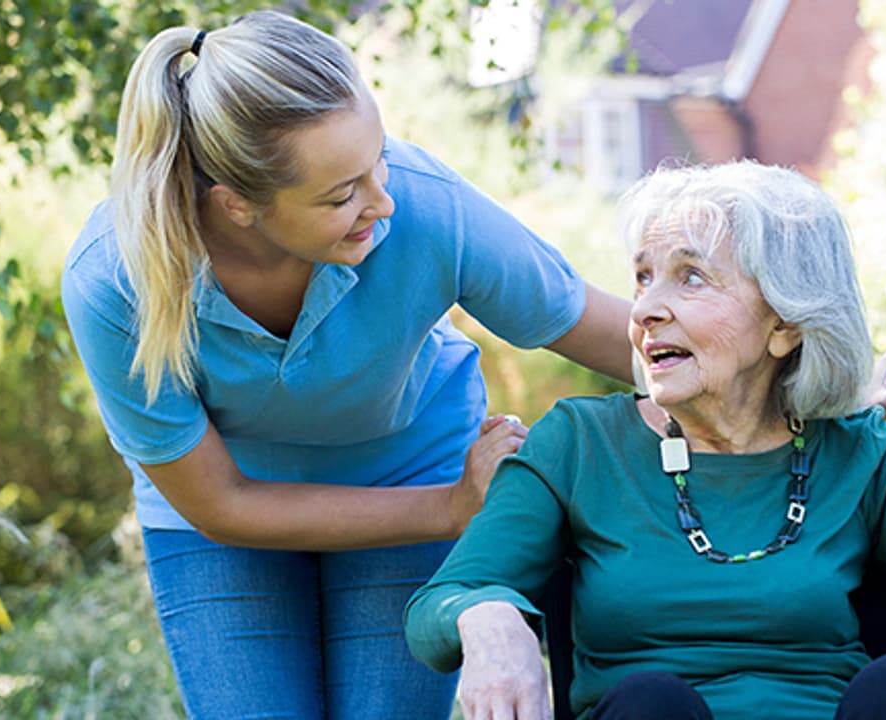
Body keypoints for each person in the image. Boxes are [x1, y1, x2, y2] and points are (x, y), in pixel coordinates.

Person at [59, 10, 640, 719]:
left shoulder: (427, 208)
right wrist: (454, 507)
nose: (383, 201)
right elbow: (222, 504)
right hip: (228, 519)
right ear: (237, 204)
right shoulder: (117, 279)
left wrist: (791, 387)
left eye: (380, 160)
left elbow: (608, 332)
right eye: (342, 195)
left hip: (408, 467)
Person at [403, 161, 886, 720]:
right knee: (650, 704)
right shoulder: (580, 445)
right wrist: (486, 612)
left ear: (785, 324)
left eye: (690, 276)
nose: (643, 309)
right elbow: (437, 608)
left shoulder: (857, 450)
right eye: (643, 276)